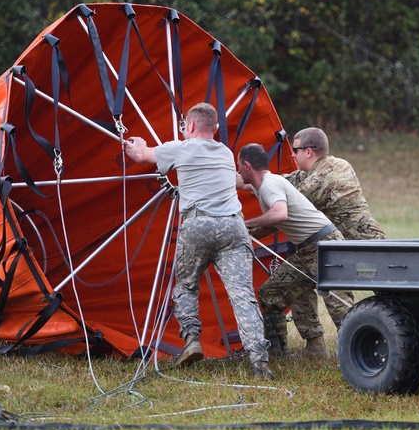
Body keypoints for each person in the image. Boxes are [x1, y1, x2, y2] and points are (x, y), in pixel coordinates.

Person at [123, 103, 273, 380]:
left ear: (189, 126)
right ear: (215, 129)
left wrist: (134, 142)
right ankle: (260, 361)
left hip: (197, 225)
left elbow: (140, 156)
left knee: (187, 285)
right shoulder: (227, 154)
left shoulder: (180, 148)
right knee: (243, 296)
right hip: (233, 226)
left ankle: (192, 338)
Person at [236, 143, 354, 361]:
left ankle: (357, 353)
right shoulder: (263, 185)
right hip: (307, 250)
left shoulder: (270, 185)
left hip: (324, 245)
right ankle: (281, 353)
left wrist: (246, 223)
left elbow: (279, 215)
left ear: (246, 166)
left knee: (340, 307)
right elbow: (240, 185)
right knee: (270, 295)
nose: (237, 172)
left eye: (238, 167)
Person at [283, 127, 386, 358]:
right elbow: (294, 179)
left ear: (308, 151)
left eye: (295, 150)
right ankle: (329, 347)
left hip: (360, 248)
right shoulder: (340, 164)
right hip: (370, 243)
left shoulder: (320, 179)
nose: (292, 155)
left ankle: (361, 350)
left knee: (340, 299)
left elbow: (288, 204)